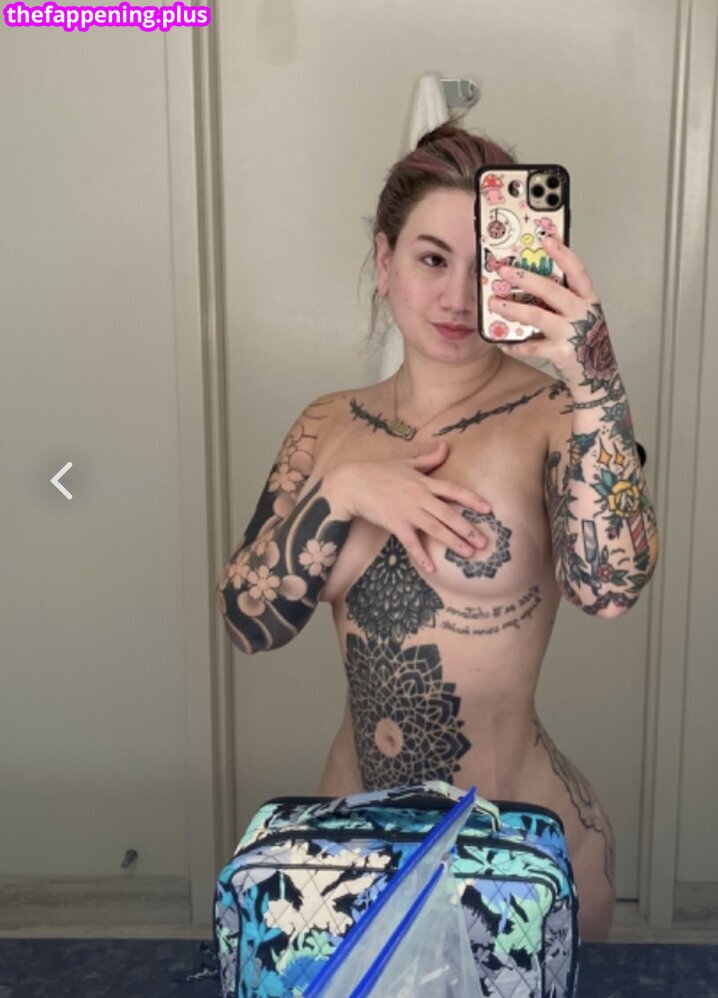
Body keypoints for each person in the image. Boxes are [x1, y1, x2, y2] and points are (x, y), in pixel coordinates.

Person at [215, 121, 659, 942]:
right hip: (356, 849)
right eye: (431, 259)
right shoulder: (327, 426)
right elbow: (249, 622)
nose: (459, 296)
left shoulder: (555, 416)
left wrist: (594, 376)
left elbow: (610, 589)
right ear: (384, 264)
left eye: (484, 265)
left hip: (514, 853)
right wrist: (344, 490)